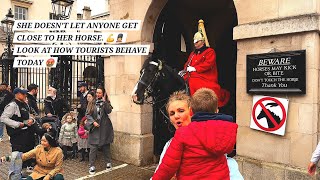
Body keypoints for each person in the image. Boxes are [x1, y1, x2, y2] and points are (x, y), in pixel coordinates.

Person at [154, 90, 243, 180]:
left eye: (181, 111)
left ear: (191, 111)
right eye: (172, 113)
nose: (176, 116)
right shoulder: (222, 133)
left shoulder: (183, 135)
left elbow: (165, 171)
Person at [180, 31, 229, 107]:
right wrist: (185, 70)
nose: (195, 43)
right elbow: (187, 63)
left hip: (205, 76)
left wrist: (195, 68)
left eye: (197, 41)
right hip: (191, 75)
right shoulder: (193, 53)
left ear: (202, 42)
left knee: (194, 82)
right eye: (194, 41)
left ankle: (195, 104)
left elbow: (208, 64)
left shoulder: (210, 52)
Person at [0, 88, 41, 169]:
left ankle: (26, 170)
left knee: (28, 153)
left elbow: (28, 116)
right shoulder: (12, 105)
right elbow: (3, 118)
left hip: (27, 134)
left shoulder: (25, 104)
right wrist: (17, 124)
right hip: (17, 135)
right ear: (17, 94)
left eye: (25, 93)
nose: (25, 95)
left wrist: (32, 120)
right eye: (23, 94)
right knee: (18, 155)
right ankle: (17, 171)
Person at [85, 86, 114, 175]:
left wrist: (105, 102)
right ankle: (91, 165)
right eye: (97, 92)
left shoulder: (106, 102)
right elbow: (87, 114)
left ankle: (108, 162)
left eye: (100, 93)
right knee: (93, 148)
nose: (98, 94)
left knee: (106, 146)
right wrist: (93, 122)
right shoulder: (91, 102)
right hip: (95, 128)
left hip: (104, 127)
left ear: (103, 94)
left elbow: (109, 111)